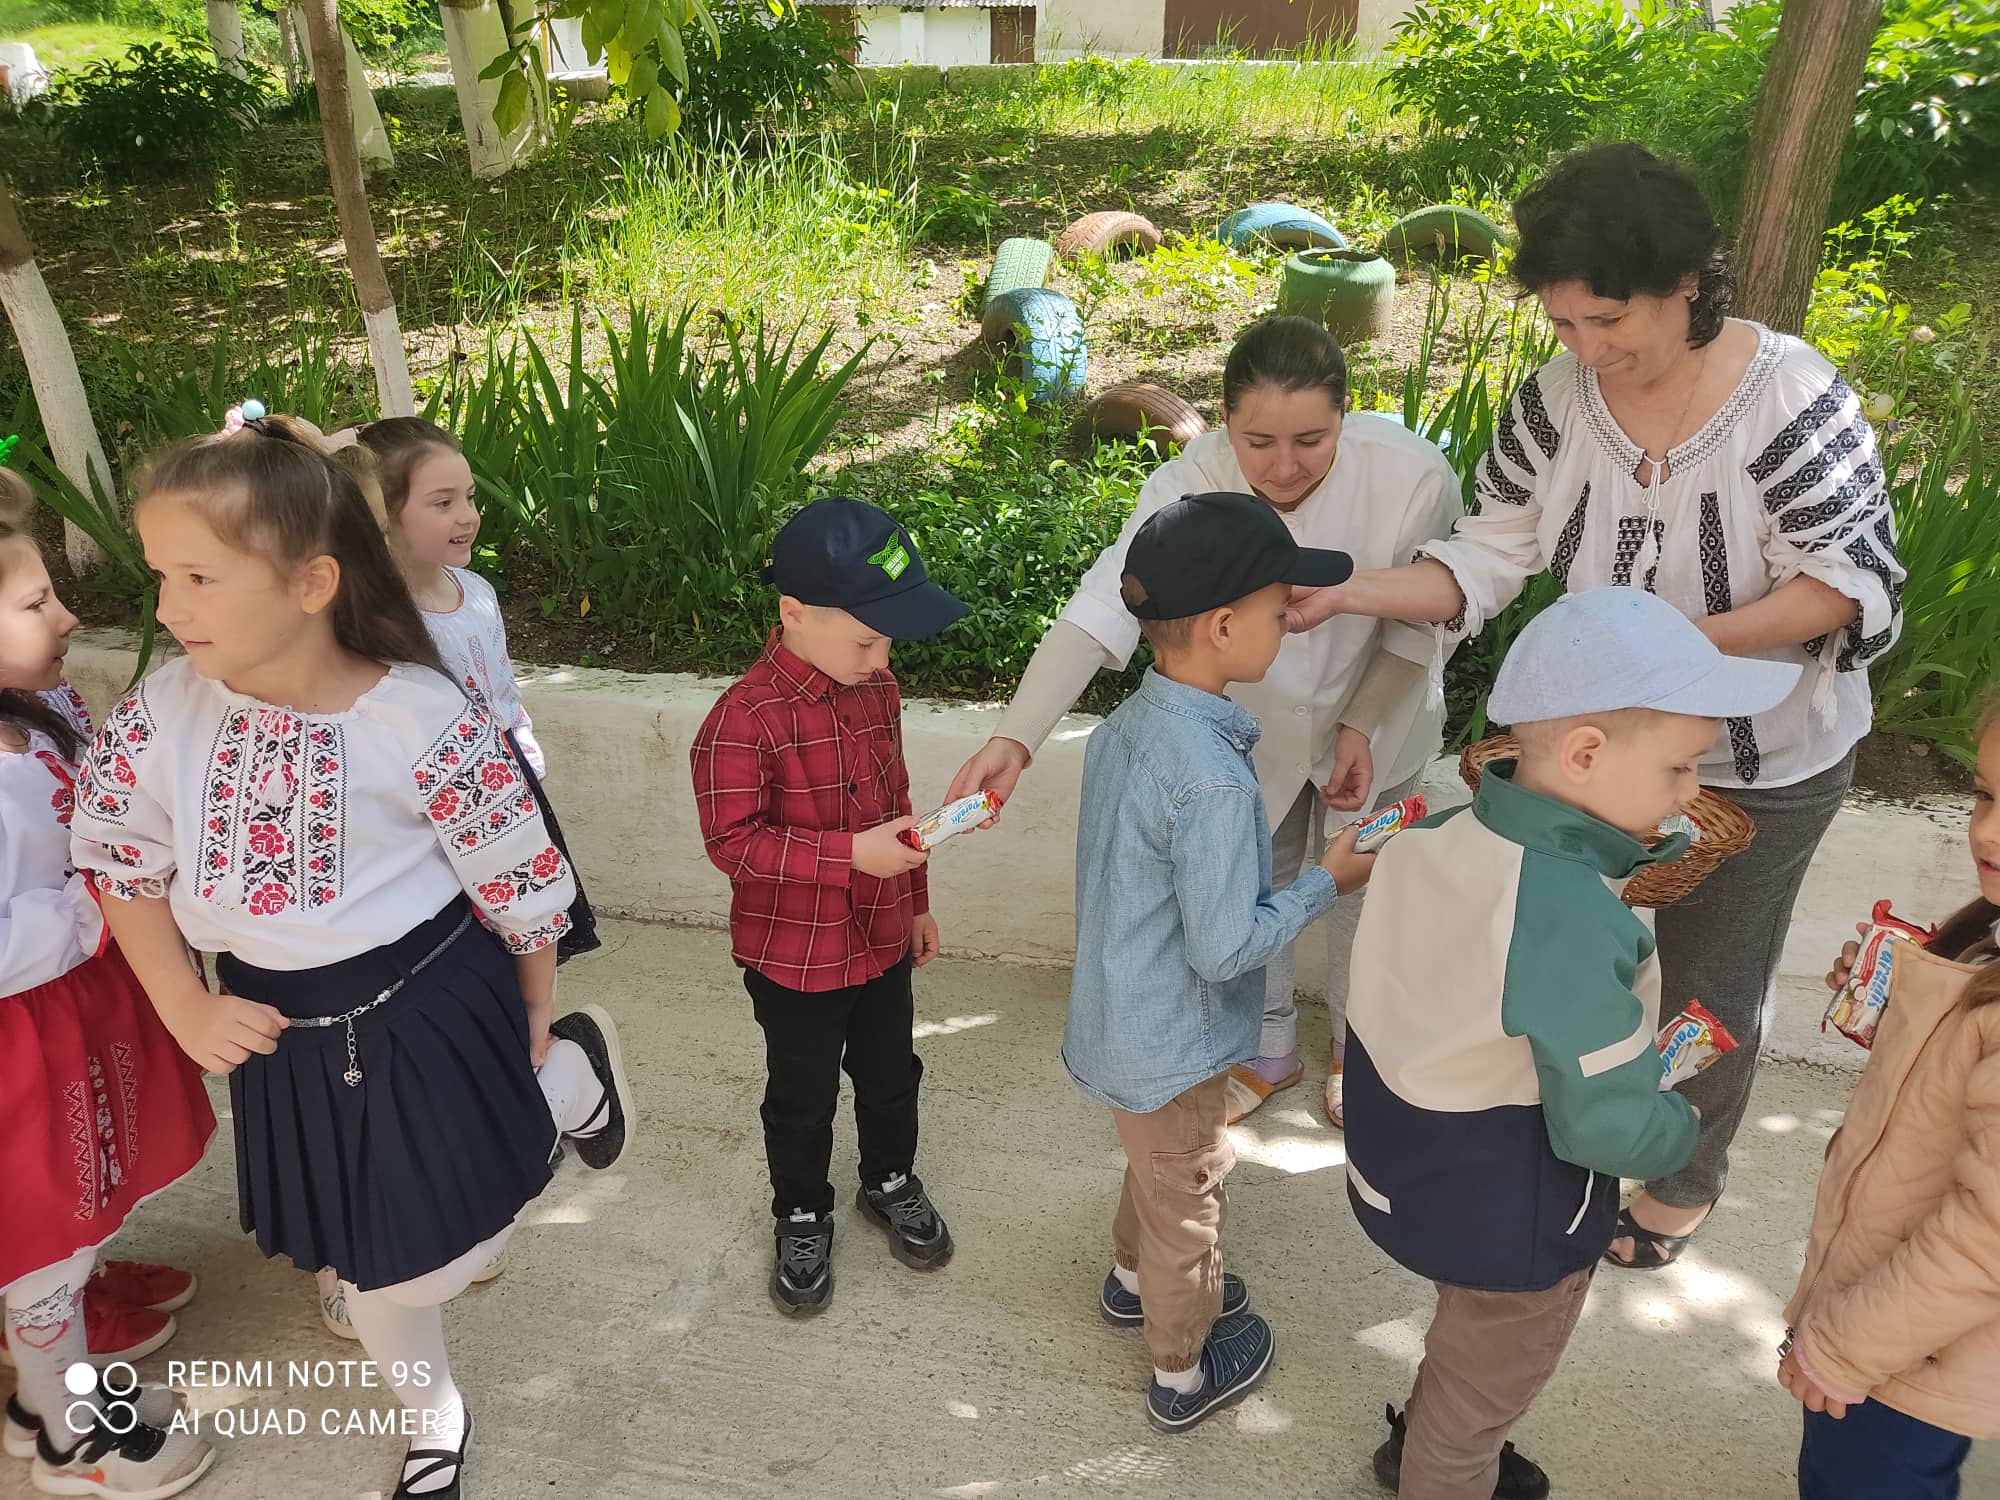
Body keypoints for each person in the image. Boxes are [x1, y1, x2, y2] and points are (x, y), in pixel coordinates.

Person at [1292, 143, 1905, 1265]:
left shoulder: (1789, 398)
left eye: (1609, 320)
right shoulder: (1554, 401)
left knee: (1714, 977)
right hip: (1589, 766)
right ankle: (1593, 1121)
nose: (1586, 350)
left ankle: (1681, 1176)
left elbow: (1850, 582)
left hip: (1760, 762)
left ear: (1687, 285)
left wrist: (1666, 654)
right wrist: (1347, 591)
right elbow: (1487, 553)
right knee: (1576, 965)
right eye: (1563, 323)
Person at [68, 410, 635, 1500]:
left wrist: (532, 1013)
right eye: (161, 576)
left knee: (443, 1250)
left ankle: (563, 1076)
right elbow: (120, 864)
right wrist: (184, 1005)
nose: (168, 608)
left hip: (430, 1005)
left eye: (199, 578)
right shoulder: (161, 714)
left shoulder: (418, 714)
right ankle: (434, 1414)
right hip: (277, 1028)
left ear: (313, 582)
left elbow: (519, 882)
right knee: (374, 1264)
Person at [947, 315, 1462, 1127]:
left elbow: (1424, 619)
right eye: (1258, 442)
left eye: (1311, 440)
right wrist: (1014, 737)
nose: (1283, 466)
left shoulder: (1413, 473)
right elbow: (1103, 606)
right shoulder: (1189, 480)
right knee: (1257, 880)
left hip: (1382, 711)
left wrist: (1362, 724)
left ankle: (1357, 1048)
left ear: (1347, 414)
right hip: (1247, 723)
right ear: (1224, 421)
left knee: (1369, 889)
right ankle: (1268, 1044)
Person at [1344, 588, 1798, 1499]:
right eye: (1679, 768)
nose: (1692, 792)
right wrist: (1678, 1129)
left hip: (1407, 1162)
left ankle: (1424, 1439)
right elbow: (1604, 1125)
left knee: (1464, 1342)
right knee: (1485, 1389)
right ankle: (1441, 1467)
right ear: (1586, 754)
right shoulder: (1574, 919)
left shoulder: (1439, 832)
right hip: (1511, 1209)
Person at [1064, 491, 1377, 1433]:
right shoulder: (1209, 779)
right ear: (1223, 626)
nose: (1290, 623)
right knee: (1190, 1196)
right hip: (1175, 1038)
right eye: (1280, 610)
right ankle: (1183, 1369)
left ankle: (1132, 1281)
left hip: (1123, 1016)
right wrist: (1326, 881)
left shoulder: (1125, 729)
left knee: (1155, 1170)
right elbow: (1227, 945)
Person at [689, 496, 966, 1316]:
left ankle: (889, 1178)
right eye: (867, 640)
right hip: (794, 956)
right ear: (793, 614)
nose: (882, 661)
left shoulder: (876, 690)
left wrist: (915, 901)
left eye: (889, 644)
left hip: (880, 934)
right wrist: (848, 854)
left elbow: (898, 804)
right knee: (802, 1094)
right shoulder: (741, 721)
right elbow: (733, 844)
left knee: (891, 1074)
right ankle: (802, 1211)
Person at [0, 467, 218, 1498]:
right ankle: (68, 1432)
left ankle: (50, 1366)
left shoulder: (25, 713)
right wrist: (97, 901)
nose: (67, 616)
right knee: (40, 1230)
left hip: (67, 1020)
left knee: (74, 1201)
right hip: (22, 1049)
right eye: (34, 601)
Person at [1778, 693, 2000, 1500]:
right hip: (1896, 1324)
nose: (1988, 832)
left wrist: (1843, 1349)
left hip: (1913, 1349)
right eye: (1985, 794)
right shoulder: (1988, 929)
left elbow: (1987, 1239)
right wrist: (1896, 1013)